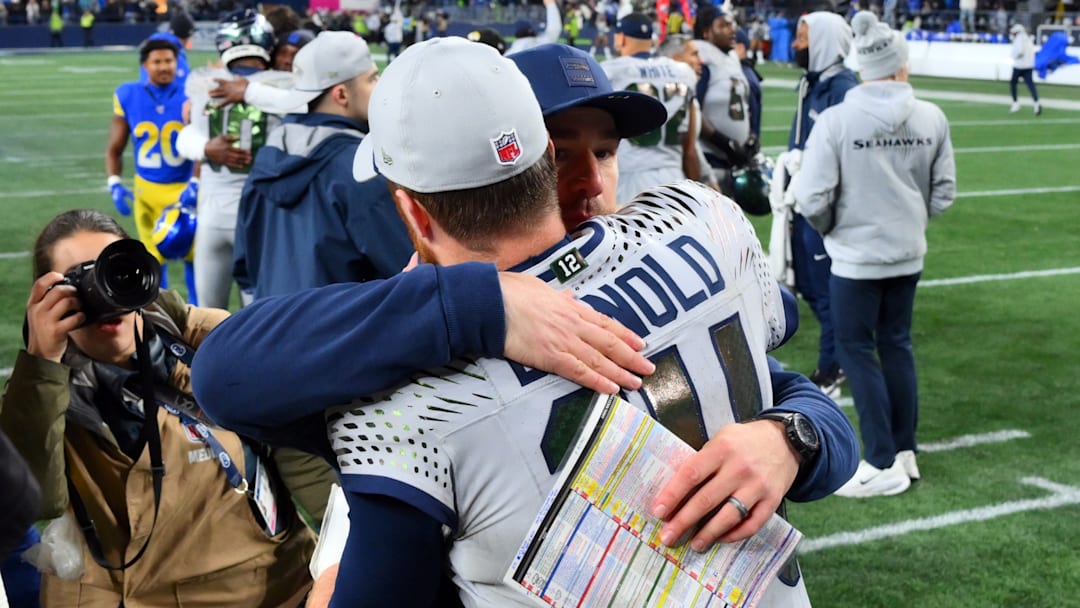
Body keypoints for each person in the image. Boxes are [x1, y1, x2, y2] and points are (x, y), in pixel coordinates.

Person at [196, 38, 857, 607]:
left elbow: (775, 384)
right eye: (565, 154)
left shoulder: (400, 408)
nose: (591, 185)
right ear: (534, 165)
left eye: (605, 152)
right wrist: (480, 304)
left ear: (416, 211)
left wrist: (791, 438)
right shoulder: (704, 222)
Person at [0, 209, 316, 606]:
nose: (105, 293)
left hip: (257, 585)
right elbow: (39, 500)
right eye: (81, 280)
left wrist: (343, 556)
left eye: (112, 271)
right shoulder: (37, 388)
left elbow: (303, 450)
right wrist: (42, 365)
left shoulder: (210, 342)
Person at [794, 11, 955, 498]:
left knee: (856, 350)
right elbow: (944, 194)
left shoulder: (839, 120)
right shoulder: (932, 116)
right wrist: (907, 221)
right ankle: (904, 451)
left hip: (855, 259)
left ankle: (882, 460)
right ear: (901, 65)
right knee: (897, 346)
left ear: (861, 66)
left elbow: (811, 198)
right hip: (906, 254)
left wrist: (835, 232)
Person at [234, 31, 412, 300]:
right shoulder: (360, 169)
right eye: (372, 78)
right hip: (342, 334)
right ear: (341, 94)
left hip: (272, 326)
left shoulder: (268, 155)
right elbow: (406, 273)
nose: (379, 87)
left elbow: (245, 265)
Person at [175, 9, 294, 309]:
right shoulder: (287, 87)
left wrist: (206, 148)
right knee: (262, 317)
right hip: (261, 216)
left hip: (213, 215)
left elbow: (183, 138)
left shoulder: (205, 83)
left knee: (206, 316)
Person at [779, 11, 859, 398]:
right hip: (802, 201)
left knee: (827, 291)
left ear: (824, 40)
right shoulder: (810, 83)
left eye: (804, 37)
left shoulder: (844, 88)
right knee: (806, 286)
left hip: (825, 208)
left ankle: (834, 364)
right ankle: (837, 355)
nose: (796, 44)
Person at [106, 37, 198, 302]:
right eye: (156, 61)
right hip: (147, 193)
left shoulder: (191, 96)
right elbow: (115, 146)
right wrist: (113, 181)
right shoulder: (128, 94)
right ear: (145, 65)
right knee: (152, 264)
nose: (163, 66)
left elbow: (203, 144)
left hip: (184, 190)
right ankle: (162, 321)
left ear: (177, 62)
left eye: (168, 60)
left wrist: (195, 183)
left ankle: (203, 320)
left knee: (196, 261)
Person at [602, 13, 701, 202]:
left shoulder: (610, 71)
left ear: (621, 37)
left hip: (630, 178)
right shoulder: (683, 71)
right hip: (675, 178)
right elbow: (690, 143)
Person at [692, 6, 756, 197]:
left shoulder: (730, 58)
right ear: (706, 32)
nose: (732, 29)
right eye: (724, 25)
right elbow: (692, 111)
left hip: (733, 164)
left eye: (732, 24)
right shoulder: (702, 60)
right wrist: (723, 142)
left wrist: (751, 135)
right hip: (709, 162)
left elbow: (743, 104)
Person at [139, 9, 194, 89]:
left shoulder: (153, 44)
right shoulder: (171, 52)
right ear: (186, 34)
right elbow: (184, 85)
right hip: (163, 99)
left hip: (146, 95)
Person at [1009, 23, 1041, 115]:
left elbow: (1019, 51)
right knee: (1030, 85)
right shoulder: (1028, 38)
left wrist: (1013, 56)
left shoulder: (1019, 39)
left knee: (1013, 83)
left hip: (1019, 66)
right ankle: (1036, 103)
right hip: (1029, 65)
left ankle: (1015, 103)